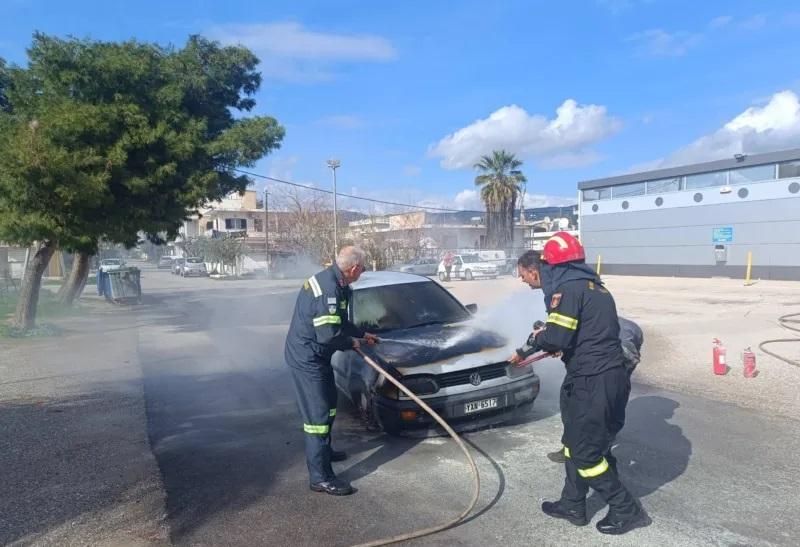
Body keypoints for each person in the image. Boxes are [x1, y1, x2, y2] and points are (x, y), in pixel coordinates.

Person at [509, 235, 650, 535]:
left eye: (524, 275)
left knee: (586, 454)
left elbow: (558, 337)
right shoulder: (594, 287)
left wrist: (538, 338)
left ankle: (626, 508)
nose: (524, 280)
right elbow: (580, 333)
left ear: (546, 264)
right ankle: (572, 503)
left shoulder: (567, 289)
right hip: (600, 376)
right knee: (574, 443)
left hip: (593, 379)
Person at [284, 246, 379, 496]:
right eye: (364, 268)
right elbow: (327, 335)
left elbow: (339, 321)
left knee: (330, 404)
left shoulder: (338, 284)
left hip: (317, 357)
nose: (363, 272)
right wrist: (351, 343)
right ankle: (320, 477)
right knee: (318, 417)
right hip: (307, 359)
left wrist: (361, 334)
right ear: (355, 268)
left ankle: (323, 452)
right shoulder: (329, 290)